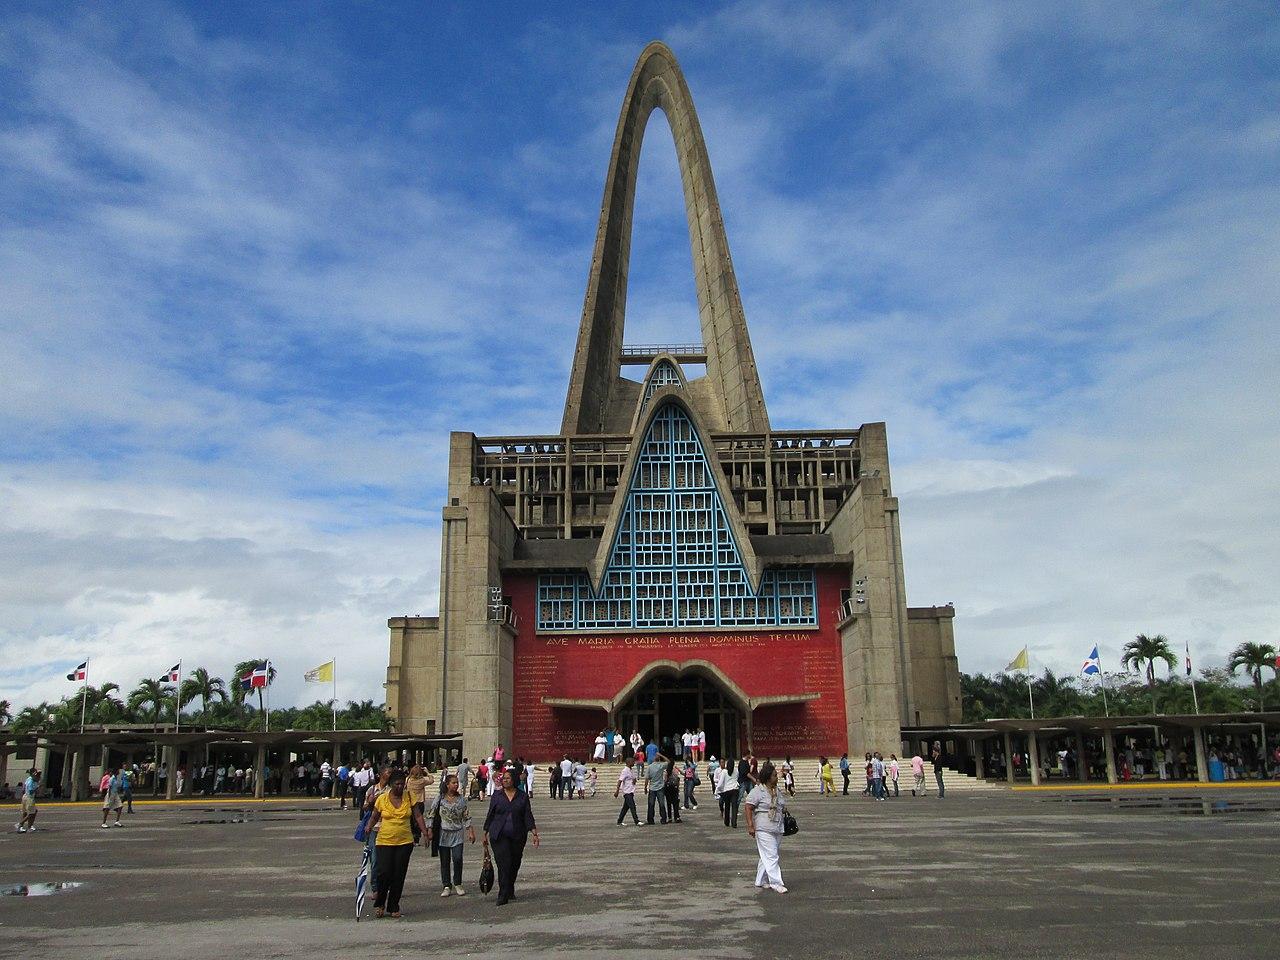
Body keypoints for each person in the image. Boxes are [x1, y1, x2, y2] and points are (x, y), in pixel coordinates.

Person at [366, 768, 427, 918]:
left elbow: (418, 815)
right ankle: (380, 903)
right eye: (397, 784)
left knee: (399, 874)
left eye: (402, 784)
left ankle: (394, 905)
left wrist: (425, 832)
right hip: (384, 841)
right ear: (391, 784)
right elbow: (374, 816)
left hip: (404, 842)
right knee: (384, 873)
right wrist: (368, 827)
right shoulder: (382, 799)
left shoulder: (409, 796)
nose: (400, 787)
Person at [483, 765, 539, 906]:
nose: (505, 780)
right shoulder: (497, 795)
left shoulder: (522, 796)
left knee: (514, 863)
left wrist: (534, 832)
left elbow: (527, 815)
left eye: (508, 778)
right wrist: (485, 833)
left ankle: (509, 887)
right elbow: (491, 815)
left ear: (514, 779)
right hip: (499, 835)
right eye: (504, 778)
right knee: (504, 864)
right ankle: (503, 895)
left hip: (517, 835)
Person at [426, 773, 475, 897]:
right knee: (445, 860)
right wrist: (429, 829)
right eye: (453, 783)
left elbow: (466, 815)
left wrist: (470, 830)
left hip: (457, 833)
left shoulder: (461, 799)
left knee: (457, 858)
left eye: (457, 783)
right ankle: (447, 885)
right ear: (447, 785)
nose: (456, 785)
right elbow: (431, 813)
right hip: (443, 833)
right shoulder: (440, 798)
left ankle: (458, 883)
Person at [745, 760, 787, 893]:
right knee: (772, 855)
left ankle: (760, 880)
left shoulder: (777, 791)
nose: (777, 777)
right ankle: (776, 882)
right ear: (768, 777)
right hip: (763, 827)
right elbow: (748, 807)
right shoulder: (758, 791)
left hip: (777, 826)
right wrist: (751, 825)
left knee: (767, 854)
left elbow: (781, 806)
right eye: (774, 775)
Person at [406, 764, 434, 845]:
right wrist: (427, 772)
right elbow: (431, 780)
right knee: (418, 821)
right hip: (419, 801)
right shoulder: (422, 781)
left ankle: (411, 837)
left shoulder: (408, 780)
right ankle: (417, 838)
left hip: (410, 802)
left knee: (411, 820)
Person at [615, 756, 640, 825]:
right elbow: (620, 781)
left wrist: (634, 781)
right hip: (627, 792)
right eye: (632, 761)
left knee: (625, 808)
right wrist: (617, 791)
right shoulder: (625, 771)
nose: (634, 763)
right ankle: (636, 821)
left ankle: (619, 821)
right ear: (628, 762)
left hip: (631, 791)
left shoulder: (631, 770)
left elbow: (633, 779)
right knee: (632, 806)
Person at [645, 752, 669, 824]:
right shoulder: (661, 765)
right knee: (661, 804)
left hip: (652, 787)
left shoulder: (649, 767)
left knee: (651, 804)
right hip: (660, 787)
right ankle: (663, 819)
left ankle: (650, 820)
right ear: (659, 759)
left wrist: (645, 787)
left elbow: (647, 778)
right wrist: (661, 755)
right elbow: (668, 761)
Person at [719, 758, 740, 827]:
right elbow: (737, 778)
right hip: (735, 789)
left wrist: (718, 790)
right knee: (734, 807)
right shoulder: (736, 771)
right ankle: (734, 823)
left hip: (727, 790)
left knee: (727, 806)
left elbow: (721, 782)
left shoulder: (724, 771)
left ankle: (727, 821)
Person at [663, 757, 682, 823]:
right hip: (674, 787)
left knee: (668, 803)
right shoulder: (675, 770)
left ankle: (670, 818)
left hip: (668, 788)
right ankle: (676, 817)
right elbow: (677, 778)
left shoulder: (666, 770)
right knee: (675, 803)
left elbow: (665, 780)